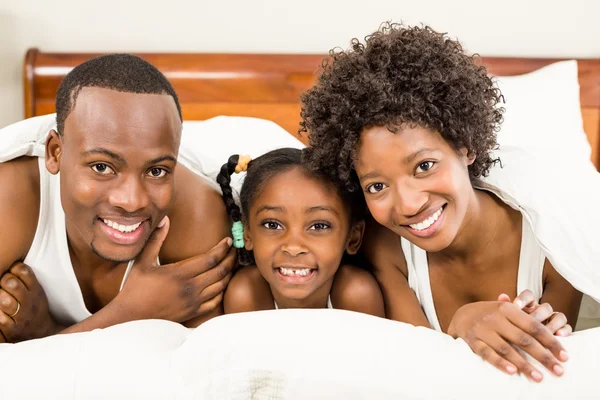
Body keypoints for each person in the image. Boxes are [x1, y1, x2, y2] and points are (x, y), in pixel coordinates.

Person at [299, 23, 582, 382]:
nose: (408, 204)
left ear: (465, 146)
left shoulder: (553, 238)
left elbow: (541, 362)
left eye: (424, 166)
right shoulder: (388, 250)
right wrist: (460, 320)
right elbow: (422, 371)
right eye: (376, 186)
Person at [0, 54, 236, 343]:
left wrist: (45, 335)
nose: (131, 201)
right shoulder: (10, 197)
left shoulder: (200, 215)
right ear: (55, 154)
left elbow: (192, 377)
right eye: (102, 167)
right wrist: (131, 312)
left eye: (157, 170)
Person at [217, 148, 385, 316]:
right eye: (272, 225)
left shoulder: (356, 293)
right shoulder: (247, 293)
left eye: (319, 226)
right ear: (248, 233)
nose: (293, 247)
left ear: (353, 238)